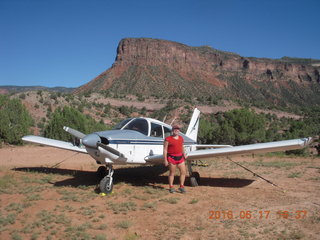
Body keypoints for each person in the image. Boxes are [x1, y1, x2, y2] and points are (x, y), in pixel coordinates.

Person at [163, 125, 188, 193]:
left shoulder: (181, 138)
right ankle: (171, 187)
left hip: (180, 158)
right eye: (175, 129)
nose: (176, 130)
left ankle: (181, 186)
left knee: (183, 172)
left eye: (178, 129)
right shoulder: (168, 139)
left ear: (179, 130)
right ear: (172, 130)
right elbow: (165, 150)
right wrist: (165, 160)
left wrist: (184, 154)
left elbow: (182, 147)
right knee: (172, 173)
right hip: (172, 158)